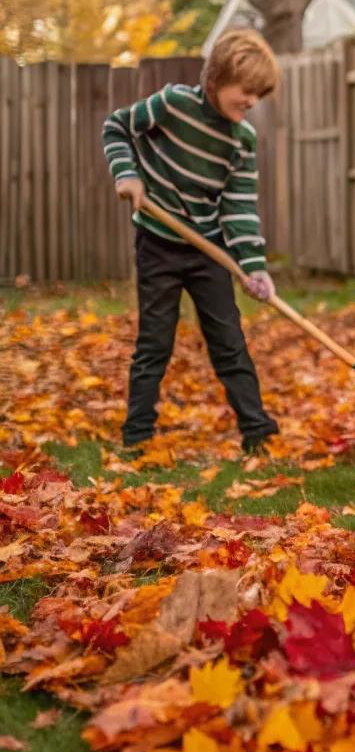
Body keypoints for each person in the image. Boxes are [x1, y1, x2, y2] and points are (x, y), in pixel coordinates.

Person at [102, 28, 281, 454]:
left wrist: (253, 266)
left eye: (259, 93)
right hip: (158, 243)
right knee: (155, 341)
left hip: (208, 251)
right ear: (216, 79)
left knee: (229, 342)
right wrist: (127, 174)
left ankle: (257, 431)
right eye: (246, 90)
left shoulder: (242, 139)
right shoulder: (174, 105)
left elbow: (238, 207)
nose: (252, 101)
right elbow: (116, 127)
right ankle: (138, 435)